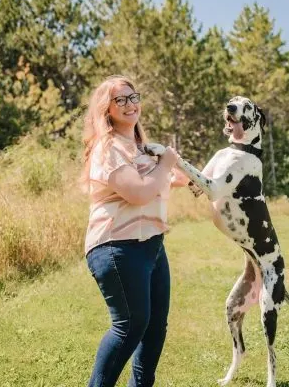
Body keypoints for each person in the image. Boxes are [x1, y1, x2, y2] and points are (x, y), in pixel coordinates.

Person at [80, 75, 188, 387]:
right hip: (117, 247)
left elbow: (168, 180)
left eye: (133, 97)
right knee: (129, 325)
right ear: (106, 109)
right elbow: (140, 192)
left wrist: (197, 178)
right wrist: (166, 164)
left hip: (152, 246)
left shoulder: (140, 150)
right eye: (120, 99)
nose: (130, 104)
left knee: (155, 327)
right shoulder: (108, 147)